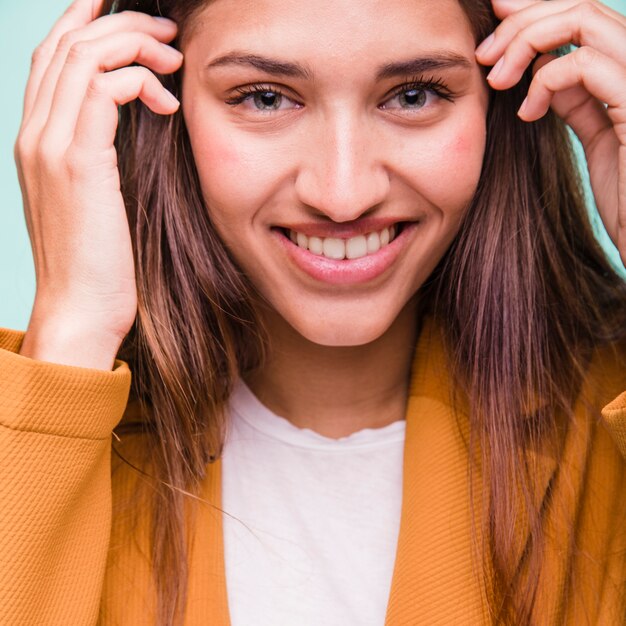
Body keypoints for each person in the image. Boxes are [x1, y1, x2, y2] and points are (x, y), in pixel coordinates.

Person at [1, 0, 625, 624]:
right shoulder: (49, 443)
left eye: (413, 95)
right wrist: (71, 331)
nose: (343, 192)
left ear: (501, 101)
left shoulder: (607, 418)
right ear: (162, 106)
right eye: (265, 98)